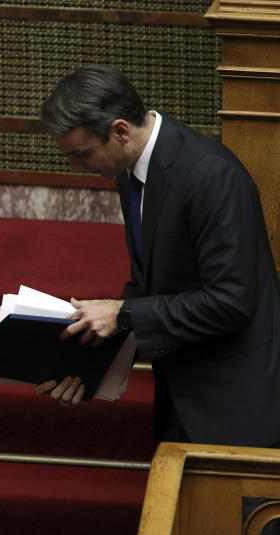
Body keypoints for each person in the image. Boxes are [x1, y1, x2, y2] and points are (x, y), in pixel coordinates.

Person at [35, 65, 280, 447]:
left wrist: (122, 314)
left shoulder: (210, 176)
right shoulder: (128, 169)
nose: (76, 167)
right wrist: (92, 364)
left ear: (120, 131)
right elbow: (155, 282)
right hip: (182, 388)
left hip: (233, 403)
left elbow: (231, 303)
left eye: (81, 154)